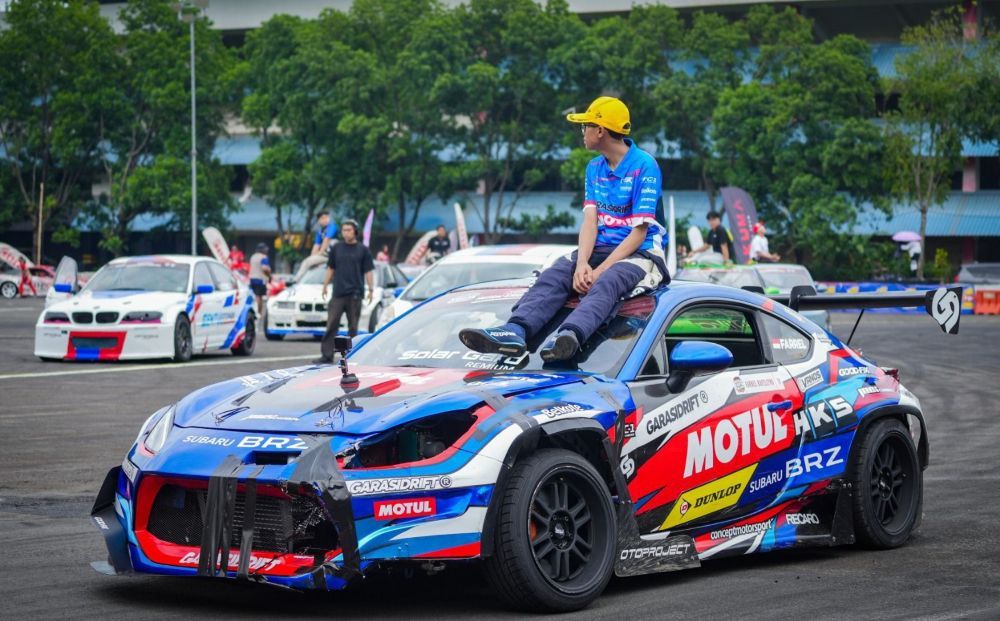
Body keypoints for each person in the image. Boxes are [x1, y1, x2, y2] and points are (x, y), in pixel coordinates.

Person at [459, 96, 667, 362]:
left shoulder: (645, 166)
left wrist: (599, 271)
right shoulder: (594, 167)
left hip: (641, 253)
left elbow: (639, 233)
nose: (582, 133)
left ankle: (569, 336)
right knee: (556, 273)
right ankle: (515, 330)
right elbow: (590, 221)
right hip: (600, 248)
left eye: (585, 126)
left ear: (600, 131)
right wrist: (581, 264)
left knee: (608, 281)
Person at [316, 220, 375, 364]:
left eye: (349, 230)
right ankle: (327, 355)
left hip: (355, 294)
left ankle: (351, 356)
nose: (346, 233)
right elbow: (331, 268)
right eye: (344, 230)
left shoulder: (363, 250)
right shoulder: (337, 248)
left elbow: (368, 271)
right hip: (338, 293)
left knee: (353, 328)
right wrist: (325, 285)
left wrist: (371, 289)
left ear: (355, 231)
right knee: (331, 325)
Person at [248, 243, 271, 317]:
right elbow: (265, 268)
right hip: (260, 279)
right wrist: (269, 275)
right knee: (259, 296)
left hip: (252, 278)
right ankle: (259, 313)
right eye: (265, 248)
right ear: (262, 250)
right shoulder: (263, 257)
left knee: (255, 295)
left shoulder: (253, 256)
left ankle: (255, 312)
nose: (267, 250)